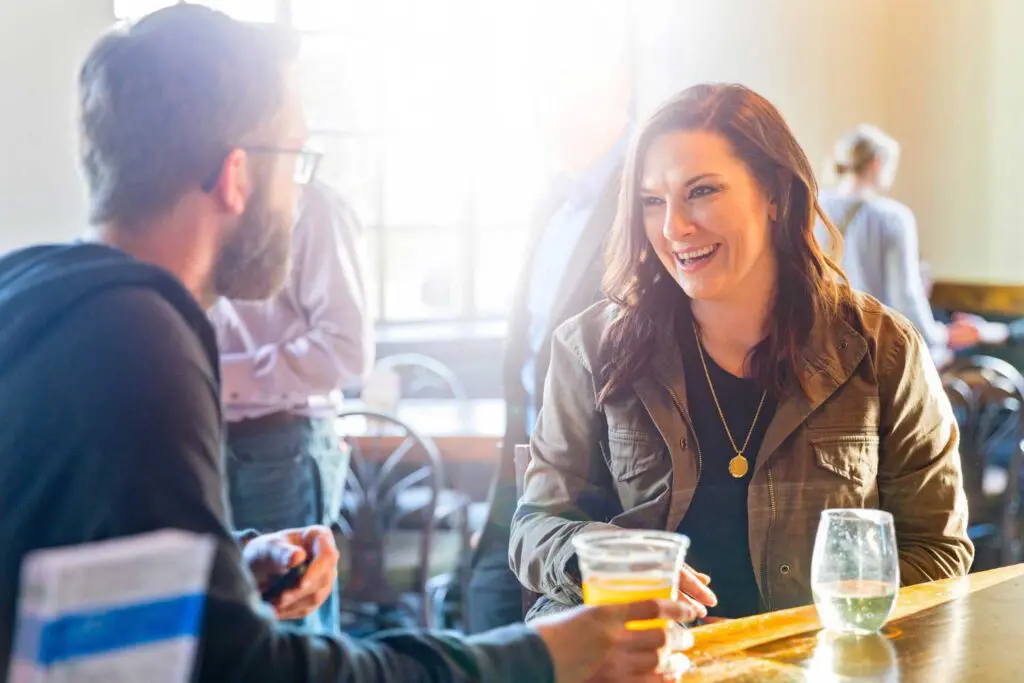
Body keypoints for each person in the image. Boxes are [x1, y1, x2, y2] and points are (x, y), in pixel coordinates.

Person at [0, 6, 691, 682]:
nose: (300, 193)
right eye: (295, 158)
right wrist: (539, 656)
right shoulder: (142, 342)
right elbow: (252, 670)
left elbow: (62, 589)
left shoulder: (31, 292)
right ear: (237, 174)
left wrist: (229, 567)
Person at [509, 83, 973, 622]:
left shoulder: (881, 349)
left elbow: (938, 550)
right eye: (652, 201)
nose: (673, 227)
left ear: (775, 194)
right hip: (641, 659)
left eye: (702, 191)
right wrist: (605, 565)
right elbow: (535, 527)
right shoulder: (590, 346)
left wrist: (795, 641)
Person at [468, 9, 633, 633]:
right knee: (487, 592)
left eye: (565, 91)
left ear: (612, 89)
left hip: (602, 449)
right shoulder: (554, 194)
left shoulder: (644, 188)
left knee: (534, 611)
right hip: (529, 436)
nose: (548, 110)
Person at [209, 177, 372, 634]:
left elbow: (347, 349)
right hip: (201, 436)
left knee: (292, 630)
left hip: (283, 446)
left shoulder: (311, 204)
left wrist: (216, 373)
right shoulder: (193, 198)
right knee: (226, 625)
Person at [816, 124, 981, 365]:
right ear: (877, 162)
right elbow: (905, 299)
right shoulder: (892, 217)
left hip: (821, 354)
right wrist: (940, 336)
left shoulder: (814, 208)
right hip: (872, 356)